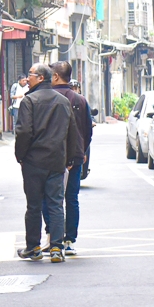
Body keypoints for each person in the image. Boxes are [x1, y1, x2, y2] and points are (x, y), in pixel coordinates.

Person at [14, 63, 83, 263]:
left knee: (34, 205)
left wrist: (21, 156)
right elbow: (72, 132)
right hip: (56, 161)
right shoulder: (62, 101)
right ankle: (56, 249)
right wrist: (69, 158)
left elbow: (24, 132)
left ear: (41, 78)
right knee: (55, 204)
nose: (28, 79)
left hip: (34, 161)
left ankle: (33, 247)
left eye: (31, 75)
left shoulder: (29, 101)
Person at [51, 61, 93, 257]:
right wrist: (81, 151)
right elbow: (88, 130)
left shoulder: (47, 98)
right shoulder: (80, 100)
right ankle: (69, 240)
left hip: (51, 156)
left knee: (50, 198)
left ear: (57, 76)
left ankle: (53, 238)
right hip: (76, 157)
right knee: (71, 198)